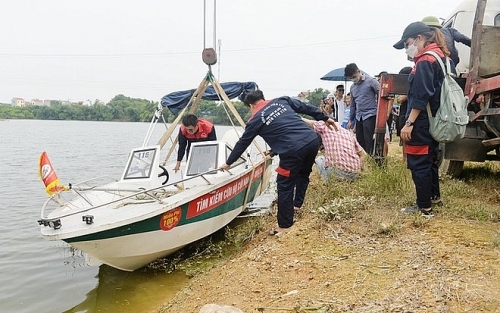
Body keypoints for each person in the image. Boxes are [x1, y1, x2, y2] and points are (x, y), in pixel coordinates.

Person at [219, 90, 337, 235]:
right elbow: (305, 107)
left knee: (284, 186)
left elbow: (243, 143)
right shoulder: (281, 100)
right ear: (263, 97)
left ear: (250, 105)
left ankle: (284, 226)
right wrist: (325, 118)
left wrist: (228, 162)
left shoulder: (255, 120)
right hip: (312, 140)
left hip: (292, 150)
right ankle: (297, 205)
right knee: (303, 174)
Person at [393, 21, 454, 217]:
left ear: (419, 38)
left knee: (419, 162)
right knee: (430, 161)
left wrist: (409, 123)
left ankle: (424, 207)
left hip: (422, 121)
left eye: (407, 43)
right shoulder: (443, 57)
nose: (406, 48)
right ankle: (434, 197)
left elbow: (421, 95)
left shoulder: (425, 61)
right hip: (436, 118)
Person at [302, 118, 365, 182]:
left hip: (336, 173)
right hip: (355, 174)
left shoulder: (325, 126)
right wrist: (360, 168)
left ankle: (327, 181)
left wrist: (293, 115)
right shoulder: (349, 133)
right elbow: (363, 154)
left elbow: (309, 122)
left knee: (319, 159)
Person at [344, 63, 380, 155]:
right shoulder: (352, 87)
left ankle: (373, 159)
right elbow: (353, 105)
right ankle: (367, 157)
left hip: (370, 114)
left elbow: (381, 95)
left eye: (354, 76)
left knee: (369, 139)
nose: (353, 79)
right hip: (359, 116)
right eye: (351, 78)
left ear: (358, 71)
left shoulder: (371, 81)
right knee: (359, 139)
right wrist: (351, 120)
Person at [395, 66, 413, 163]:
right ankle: (404, 158)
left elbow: (401, 99)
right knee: (404, 138)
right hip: (403, 113)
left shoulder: (414, 86)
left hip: (409, 114)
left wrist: (406, 96)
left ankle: (406, 159)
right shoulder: (404, 87)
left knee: (407, 138)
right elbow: (399, 99)